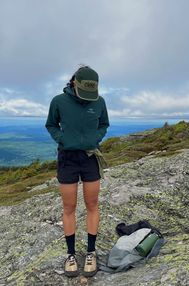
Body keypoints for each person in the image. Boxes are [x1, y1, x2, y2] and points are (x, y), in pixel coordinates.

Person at [45, 65, 110, 277]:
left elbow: (104, 124)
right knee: (69, 206)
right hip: (68, 158)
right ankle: (70, 254)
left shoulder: (99, 101)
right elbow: (51, 125)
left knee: (92, 204)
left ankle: (91, 252)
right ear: (74, 82)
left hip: (91, 157)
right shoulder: (58, 101)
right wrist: (63, 139)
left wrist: (95, 139)